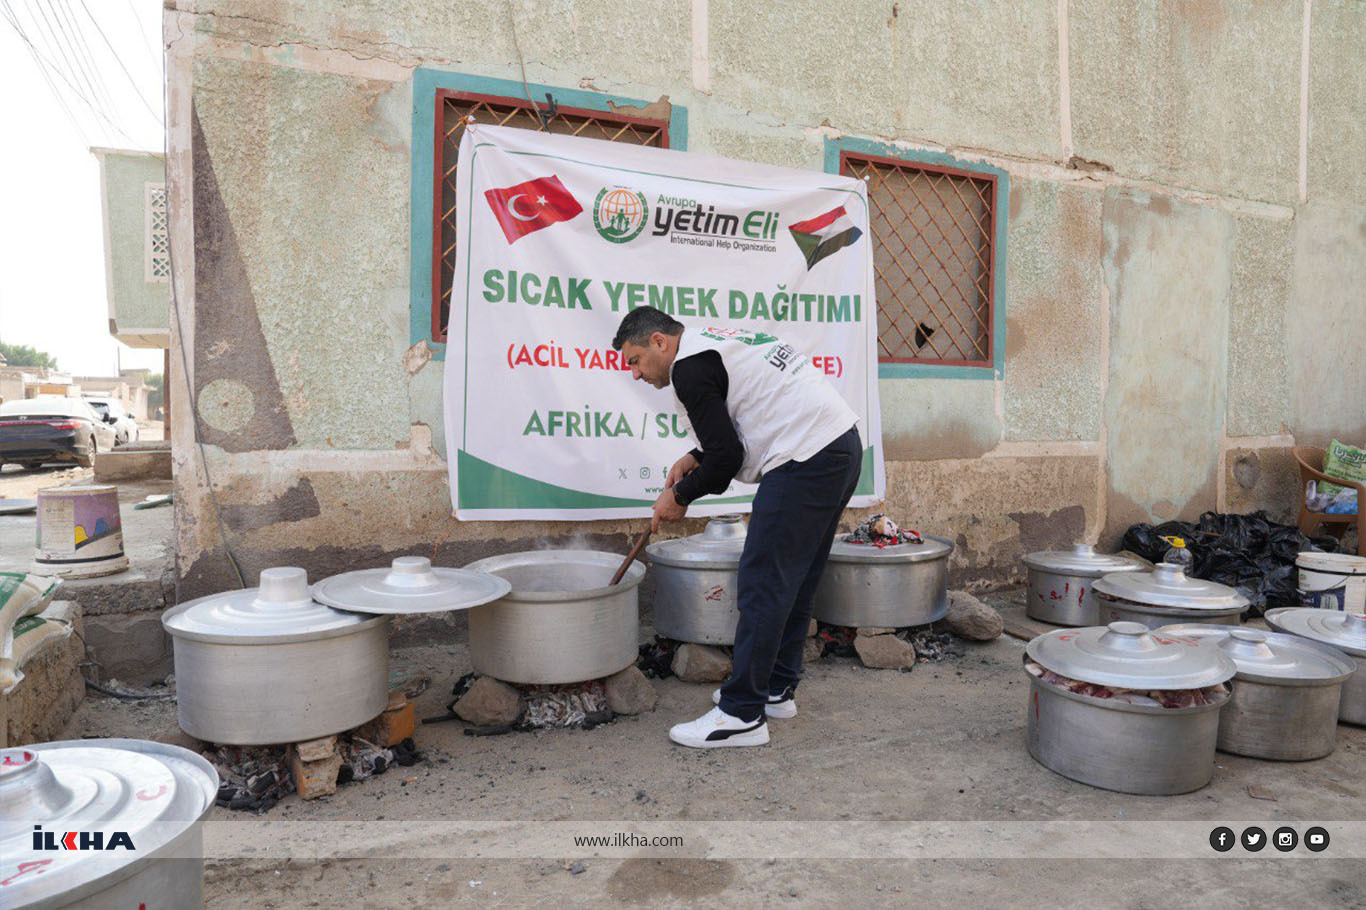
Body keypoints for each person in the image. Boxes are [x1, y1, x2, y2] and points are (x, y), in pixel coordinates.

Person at [612, 308, 862, 748]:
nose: (635, 374)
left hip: (804, 456)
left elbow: (726, 459)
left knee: (763, 582)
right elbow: (729, 432)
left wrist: (681, 496)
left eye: (634, 360)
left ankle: (741, 714)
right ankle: (774, 689)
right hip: (837, 445)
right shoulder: (705, 343)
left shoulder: (688, 368)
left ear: (658, 342)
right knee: (794, 578)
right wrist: (695, 455)